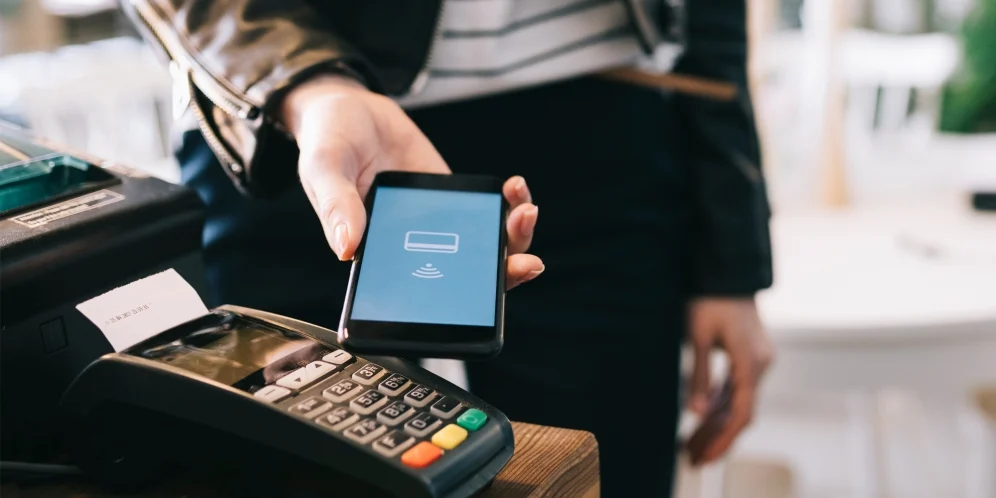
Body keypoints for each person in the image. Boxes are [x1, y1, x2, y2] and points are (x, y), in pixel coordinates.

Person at [124, 0, 775, 495]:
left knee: (593, 475)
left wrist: (729, 260)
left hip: (597, 125)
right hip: (288, 126)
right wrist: (306, 86)